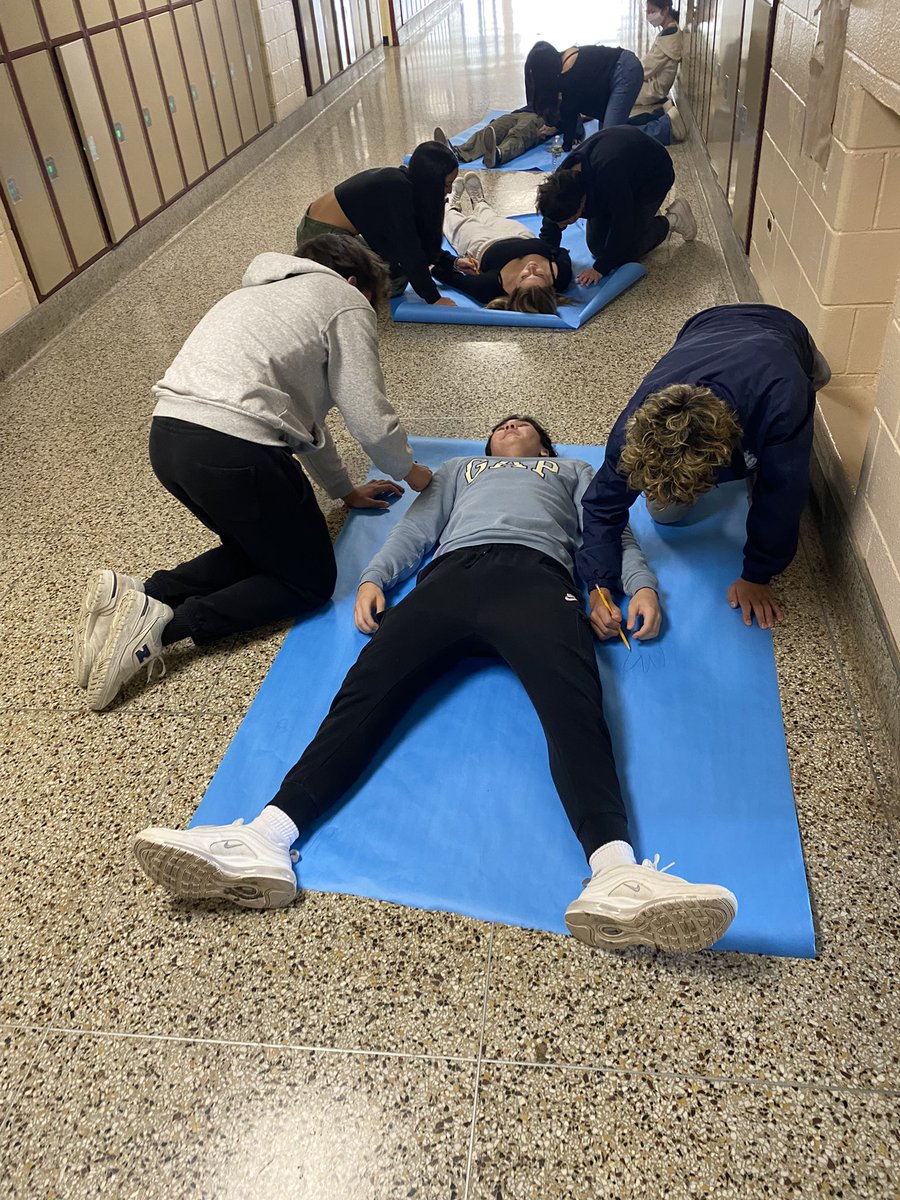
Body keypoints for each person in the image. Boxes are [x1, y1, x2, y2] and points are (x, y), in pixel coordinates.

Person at [132, 415, 739, 954]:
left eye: (524, 424)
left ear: (545, 447)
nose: (510, 425)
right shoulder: (459, 469)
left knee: (574, 708)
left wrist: (637, 587)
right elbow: (417, 528)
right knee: (363, 697)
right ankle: (265, 838)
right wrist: (375, 577)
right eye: (501, 425)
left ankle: (616, 873)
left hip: (538, 580)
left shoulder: (573, 471)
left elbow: (611, 531)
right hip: (448, 579)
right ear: (487, 446)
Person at [75, 234, 433, 713]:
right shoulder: (345, 300)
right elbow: (367, 413)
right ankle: (162, 627)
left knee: (262, 547)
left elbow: (308, 425)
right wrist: (411, 471)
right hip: (234, 449)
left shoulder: (255, 296)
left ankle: (142, 592)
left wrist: (343, 490)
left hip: (169, 440)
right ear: (354, 282)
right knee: (308, 581)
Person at [577, 304, 833, 631]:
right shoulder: (633, 430)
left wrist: (757, 575)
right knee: (664, 512)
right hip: (704, 325)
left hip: (780, 332)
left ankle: (810, 367)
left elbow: (785, 493)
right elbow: (601, 505)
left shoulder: (784, 395)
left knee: (811, 392)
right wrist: (599, 584)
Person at [294, 141, 461, 305]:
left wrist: (453, 262)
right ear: (431, 181)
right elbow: (409, 248)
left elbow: (420, 238)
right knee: (395, 282)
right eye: (447, 184)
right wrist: (434, 298)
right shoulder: (397, 191)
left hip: (327, 229)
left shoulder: (406, 182)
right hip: (318, 237)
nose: (449, 190)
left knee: (403, 265)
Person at [536, 126, 697, 286]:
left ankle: (673, 218)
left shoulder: (609, 173)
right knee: (597, 247)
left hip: (653, 177)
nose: (561, 227)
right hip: (624, 171)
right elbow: (552, 220)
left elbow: (622, 223)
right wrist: (545, 256)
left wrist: (600, 268)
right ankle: (643, 219)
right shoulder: (562, 181)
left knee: (623, 252)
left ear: (581, 205)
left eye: (568, 222)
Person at [430, 173, 573, 314]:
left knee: (457, 223)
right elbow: (561, 251)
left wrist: (431, 268)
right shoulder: (561, 276)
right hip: (520, 235)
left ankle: (449, 205)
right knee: (490, 215)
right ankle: (479, 202)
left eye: (524, 276)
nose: (531, 267)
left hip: (481, 244)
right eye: (539, 274)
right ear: (550, 287)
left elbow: (456, 280)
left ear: (514, 290)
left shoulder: (489, 288)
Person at [524, 41, 644, 151]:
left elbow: (570, 112)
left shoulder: (568, 74)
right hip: (617, 70)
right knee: (605, 135)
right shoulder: (563, 61)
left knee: (609, 139)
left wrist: (565, 147)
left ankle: (652, 134)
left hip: (625, 71)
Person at [627, 0, 688, 146]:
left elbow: (645, 69)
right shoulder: (668, 31)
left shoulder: (670, 37)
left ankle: (667, 125)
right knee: (617, 123)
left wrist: (624, 76)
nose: (649, 16)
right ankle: (661, 116)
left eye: (652, 11)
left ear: (665, 10)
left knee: (617, 95)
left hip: (652, 89)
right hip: (651, 85)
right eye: (647, 12)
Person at [433, 110, 549, 168]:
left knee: (518, 134)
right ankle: (456, 153)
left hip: (542, 117)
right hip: (520, 112)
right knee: (491, 130)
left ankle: (498, 155)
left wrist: (554, 127)